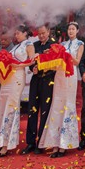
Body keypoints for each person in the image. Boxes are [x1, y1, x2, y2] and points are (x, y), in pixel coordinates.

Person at [0, 25, 34, 157]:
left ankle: (6, 144)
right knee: (1, 107)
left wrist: (17, 65)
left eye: (18, 33)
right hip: (7, 77)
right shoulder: (16, 47)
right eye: (15, 33)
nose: (16, 36)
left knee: (11, 107)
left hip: (17, 76)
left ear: (25, 33)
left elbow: (31, 61)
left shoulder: (28, 44)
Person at [39, 22, 84, 158]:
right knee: (57, 105)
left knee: (67, 105)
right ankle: (54, 143)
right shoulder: (62, 44)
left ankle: (64, 144)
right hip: (59, 75)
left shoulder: (80, 44)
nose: (71, 31)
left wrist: (65, 55)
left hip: (70, 74)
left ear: (77, 31)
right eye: (69, 29)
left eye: (73, 29)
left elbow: (77, 61)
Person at [21, 24, 56, 154]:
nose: (41, 36)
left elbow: (56, 63)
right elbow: (30, 61)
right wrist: (33, 68)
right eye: (39, 33)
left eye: (43, 33)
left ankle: (41, 142)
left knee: (45, 111)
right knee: (32, 110)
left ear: (48, 32)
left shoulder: (54, 45)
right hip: (36, 80)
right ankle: (30, 142)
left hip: (48, 80)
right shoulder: (34, 45)